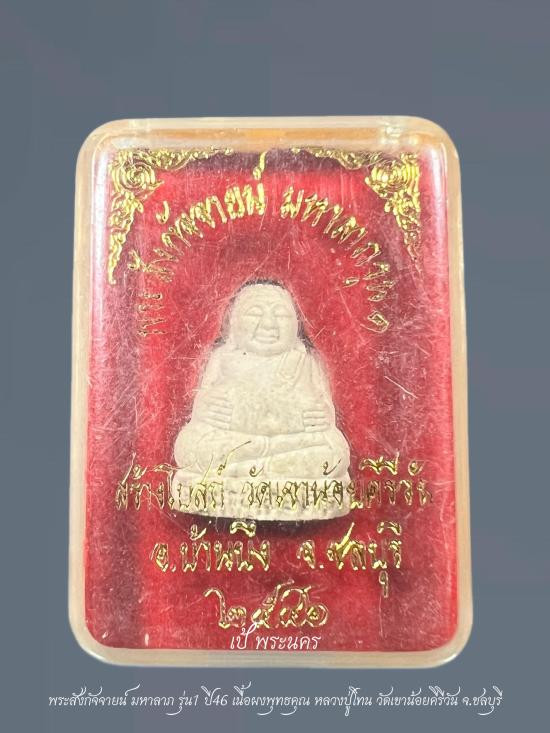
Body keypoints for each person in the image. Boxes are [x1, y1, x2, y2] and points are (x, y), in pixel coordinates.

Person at [171, 282, 351, 520]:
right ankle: (269, 471)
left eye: (281, 315)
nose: (269, 324)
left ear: (297, 325)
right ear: (233, 323)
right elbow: (202, 407)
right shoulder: (222, 358)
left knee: (334, 453)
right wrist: (207, 409)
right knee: (191, 446)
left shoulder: (305, 361)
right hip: (236, 442)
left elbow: (324, 413)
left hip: (290, 443)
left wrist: (320, 416)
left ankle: (249, 473)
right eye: (255, 314)